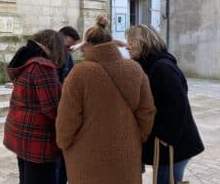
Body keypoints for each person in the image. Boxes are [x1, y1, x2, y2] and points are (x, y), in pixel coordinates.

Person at [56, 15, 156, 184]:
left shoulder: (79, 73)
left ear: (87, 43)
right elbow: (147, 111)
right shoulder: (135, 69)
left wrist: (63, 144)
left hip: (86, 157)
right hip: (126, 154)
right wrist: (136, 137)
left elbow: (67, 119)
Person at [126, 24, 204, 183]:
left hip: (172, 147)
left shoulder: (162, 67)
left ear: (142, 42)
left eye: (131, 41)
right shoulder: (151, 65)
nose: (127, 46)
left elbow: (178, 107)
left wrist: (164, 138)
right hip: (168, 146)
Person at [3, 29, 65, 184]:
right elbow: (52, 108)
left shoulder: (26, 62)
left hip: (21, 134)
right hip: (38, 141)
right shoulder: (43, 66)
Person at [56, 26, 80, 184]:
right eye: (66, 47)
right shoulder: (45, 59)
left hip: (63, 117)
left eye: (71, 49)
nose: (68, 51)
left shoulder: (68, 57)